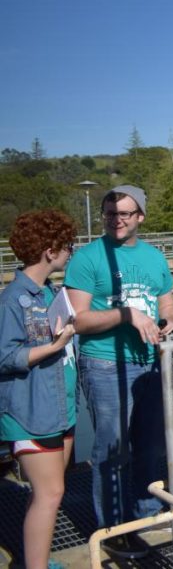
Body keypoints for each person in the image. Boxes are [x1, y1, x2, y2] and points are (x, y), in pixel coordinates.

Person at [64, 186, 173, 560]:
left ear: (140, 217)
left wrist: (168, 321)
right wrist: (127, 315)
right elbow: (77, 320)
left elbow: (166, 300)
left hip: (148, 363)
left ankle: (145, 515)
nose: (118, 220)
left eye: (126, 214)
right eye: (111, 214)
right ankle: (112, 528)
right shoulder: (87, 258)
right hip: (104, 364)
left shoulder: (153, 256)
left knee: (150, 446)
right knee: (112, 449)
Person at [0, 210, 78, 569]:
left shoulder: (50, 293)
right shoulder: (13, 299)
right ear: (50, 250)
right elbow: (5, 356)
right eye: (68, 246)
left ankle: (39, 560)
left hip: (59, 410)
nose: (70, 252)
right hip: (32, 413)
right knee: (50, 493)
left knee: (52, 492)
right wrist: (56, 343)